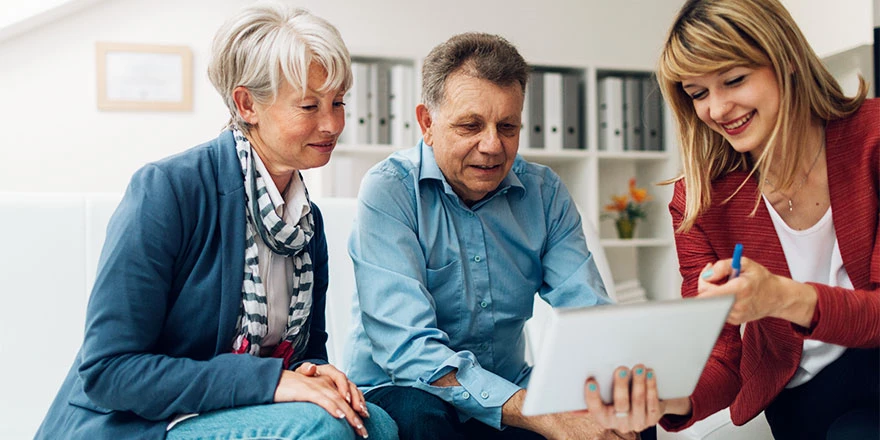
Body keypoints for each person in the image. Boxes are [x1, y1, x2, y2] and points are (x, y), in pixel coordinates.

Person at [35, 3, 398, 439]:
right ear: (247, 104)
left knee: (375, 425)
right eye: (308, 106)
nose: (333, 123)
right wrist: (274, 381)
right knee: (324, 430)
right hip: (140, 424)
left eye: (338, 102)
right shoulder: (168, 190)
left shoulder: (305, 221)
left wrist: (314, 372)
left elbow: (306, 349)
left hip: (232, 411)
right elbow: (110, 371)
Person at [581, 0, 879, 439]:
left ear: (787, 60)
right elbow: (721, 356)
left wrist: (782, 298)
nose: (717, 109)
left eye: (733, 80)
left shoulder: (872, 140)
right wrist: (666, 397)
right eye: (698, 93)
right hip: (808, 404)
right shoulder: (699, 200)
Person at [343, 32, 631, 440]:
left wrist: (613, 389)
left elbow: (590, 316)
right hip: (407, 390)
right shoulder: (389, 190)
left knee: (622, 421)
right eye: (470, 126)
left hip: (509, 393)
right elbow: (408, 351)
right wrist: (540, 414)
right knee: (423, 418)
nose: (493, 146)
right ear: (427, 123)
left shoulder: (545, 193)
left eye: (508, 126)